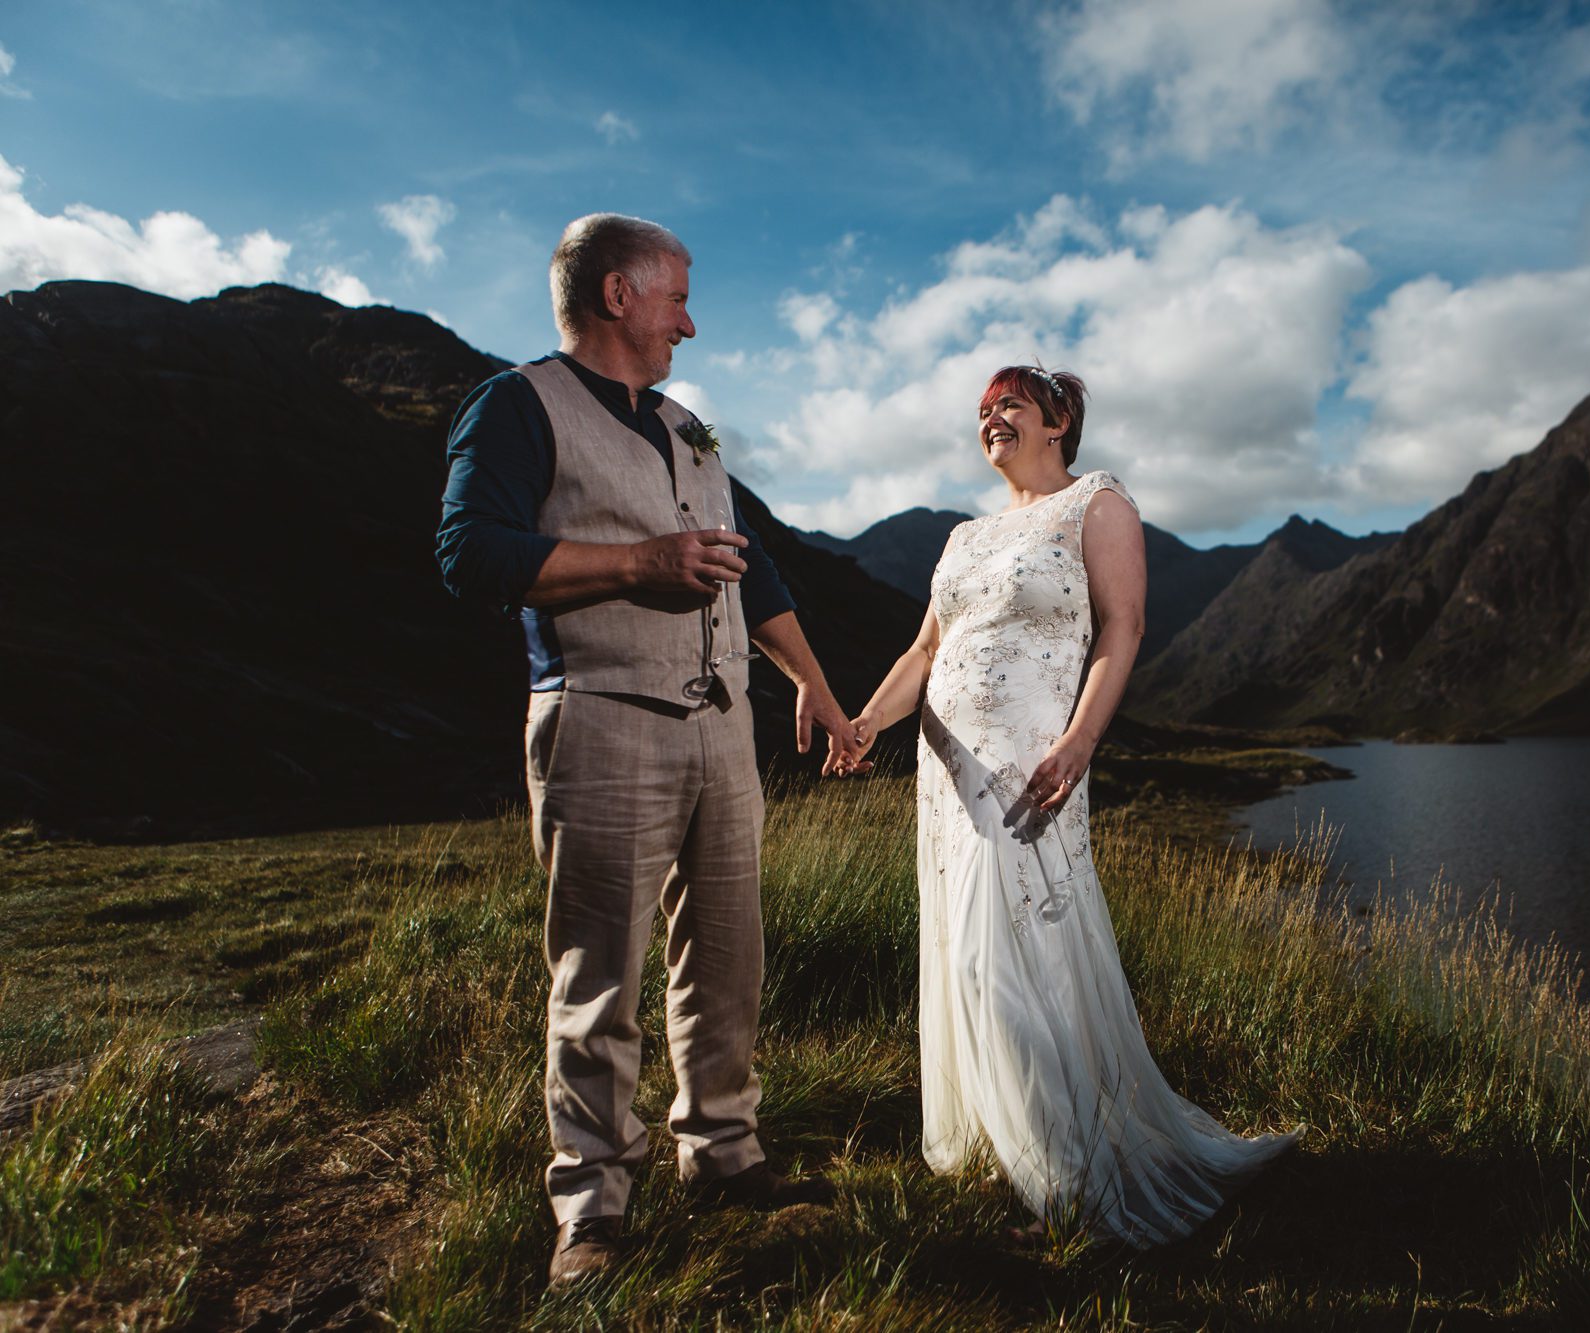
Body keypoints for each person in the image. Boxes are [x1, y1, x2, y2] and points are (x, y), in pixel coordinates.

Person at [437, 213, 860, 1286]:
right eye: (676, 297)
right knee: (599, 974)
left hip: (724, 726)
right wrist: (636, 564)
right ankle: (591, 1206)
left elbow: (748, 566)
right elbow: (470, 553)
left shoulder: (692, 428)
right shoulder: (515, 405)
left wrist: (811, 683)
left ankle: (723, 1153)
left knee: (726, 952)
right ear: (618, 295)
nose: (691, 321)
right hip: (600, 711)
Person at [837, 365, 1299, 1246]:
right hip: (949, 774)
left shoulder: (1096, 502)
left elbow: (1122, 627)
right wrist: (864, 723)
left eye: (1008, 403)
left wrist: (1081, 740)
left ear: (1059, 422)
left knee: (1017, 951)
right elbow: (925, 650)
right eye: (982, 409)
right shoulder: (963, 535)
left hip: (1031, 763)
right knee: (965, 951)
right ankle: (999, 1142)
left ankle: (1062, 1170)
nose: (991, 417)